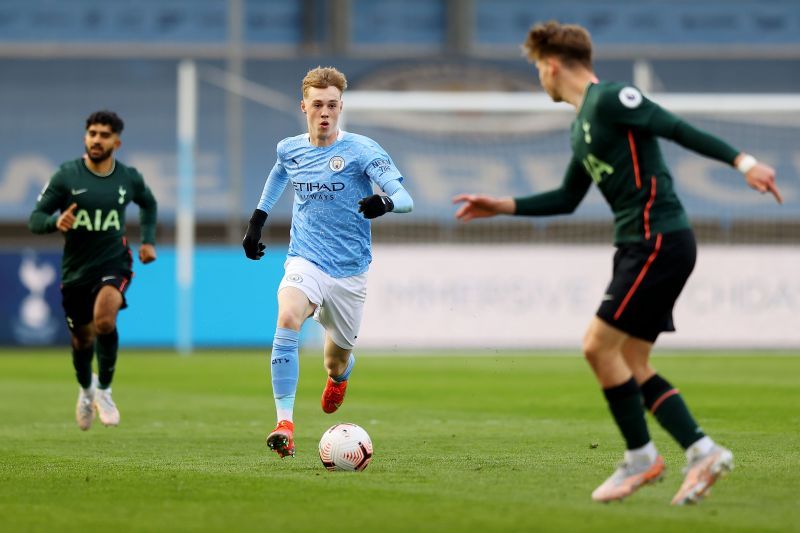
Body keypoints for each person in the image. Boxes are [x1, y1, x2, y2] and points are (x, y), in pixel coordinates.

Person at [453, 21, 782, 505]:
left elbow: (672, 126)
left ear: (551, 64)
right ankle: (701, 450)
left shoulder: (609, 98)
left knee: (596, 346)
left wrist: (744, 162)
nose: (539, 80)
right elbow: (567, 198)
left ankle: (642, 457)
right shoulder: (582, 124)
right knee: (631, 360)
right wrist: (499, 205)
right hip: (643, 244)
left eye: (537, 70)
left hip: (657, 239)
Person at [242, 66, 413, 459]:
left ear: (341, 107)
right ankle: (284, 423)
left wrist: (384, 202)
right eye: (317, 104)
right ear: (303, 106)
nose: (324, 112)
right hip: (306, 259)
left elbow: (405, 198)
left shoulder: (362, 150)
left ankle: (341, 377)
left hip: (350, 272)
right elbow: (279, 172)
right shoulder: (290, 148)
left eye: (332, 105)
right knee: (287, 317)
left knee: (334, 362)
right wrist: (257, 220)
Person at [29, 110, 158, 431]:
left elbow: (148, 203)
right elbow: (36, 218)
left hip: (114, 260)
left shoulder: (128, 177)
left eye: (103, 135)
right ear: (86, 137)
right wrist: (54, 222)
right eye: (92, 134)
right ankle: (87, 390)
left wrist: (148, 241)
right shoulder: (65, 176)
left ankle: (105, 390)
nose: (96, 140)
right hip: (75, 270)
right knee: (82, 341)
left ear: (116, 141)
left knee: (105, 319)